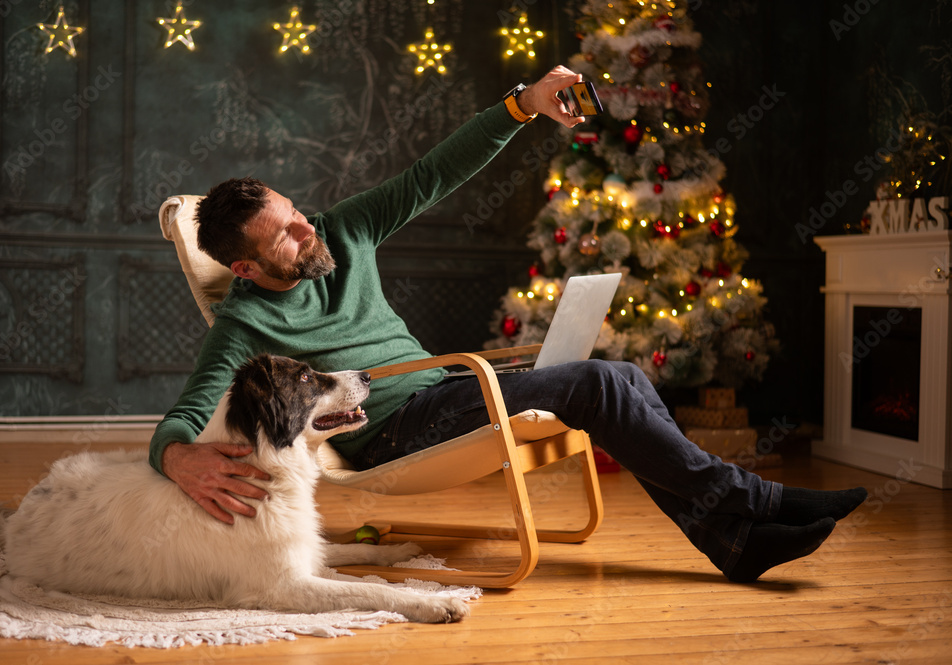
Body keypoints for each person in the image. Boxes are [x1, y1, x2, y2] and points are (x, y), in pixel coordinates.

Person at [150, 65, 866, 583]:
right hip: (396, 428)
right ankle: (755, 504)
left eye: (296, 212)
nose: (307, 230)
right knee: (604, 383)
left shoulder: (343, 231)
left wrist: (522, 105)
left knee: (617, 377)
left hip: (452, 391)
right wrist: (175, 456)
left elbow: (435, 172)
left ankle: (733, 539)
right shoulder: (242, 322)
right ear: (245, 269)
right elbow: (182, 415)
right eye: (284, 236)